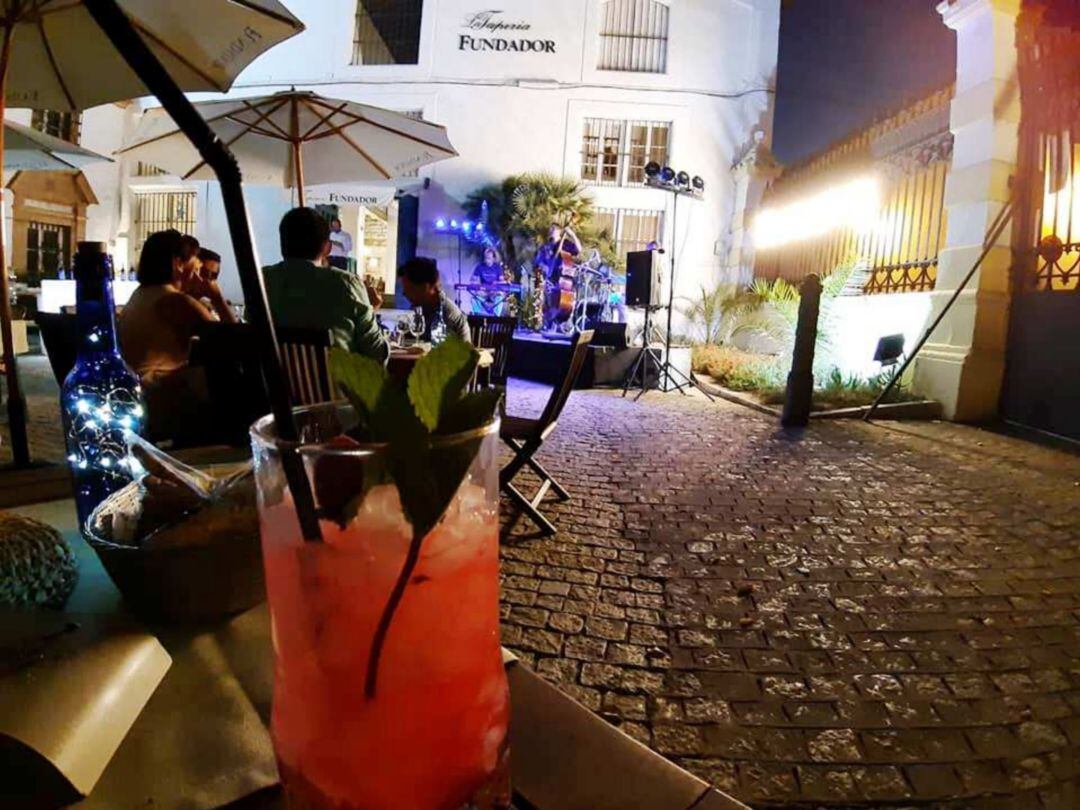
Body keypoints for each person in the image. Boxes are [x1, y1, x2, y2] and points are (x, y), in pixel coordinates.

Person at [118, 230, 229, 442]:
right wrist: (215, 295)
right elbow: (231, 338)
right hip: (158, 402)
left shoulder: (141, 294)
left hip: (132, 395)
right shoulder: (175, 301)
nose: (198, 277)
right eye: (195, 269)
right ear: (178, 263)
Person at [263, 207, 388, 362]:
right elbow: (376, 357)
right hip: (334, 385)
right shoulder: (346, 284)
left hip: (271, 385)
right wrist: (370, 310)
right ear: (327, 248)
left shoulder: (262, 281)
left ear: (282, 244)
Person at [399, 256, 470, 343]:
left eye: (409, 288)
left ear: (425, 287)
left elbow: (444, 354)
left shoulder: (446, 315)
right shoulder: (423, 307)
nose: (404, 293)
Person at [469, 247, 509, 316]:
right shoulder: (480, 267)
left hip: (494, 292)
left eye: (489, 258)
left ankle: (496, 316)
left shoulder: (497, 268)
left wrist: (496, 283)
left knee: (500, 297)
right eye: (486, 258)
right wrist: (476, 283)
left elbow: (502, 282)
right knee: (474, 299)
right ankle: (479, 315)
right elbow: (473, 280)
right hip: (483, 292)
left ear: (493, 259)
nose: (487, 260)